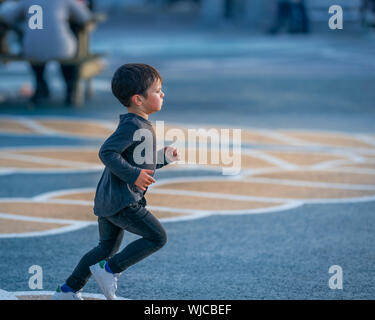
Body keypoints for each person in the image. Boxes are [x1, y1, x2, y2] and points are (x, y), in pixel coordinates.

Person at [52, 63, 180, 300]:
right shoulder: (133, 125)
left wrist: (161, 158)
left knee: (105, 249)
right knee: (156, 237)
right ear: (138, 99)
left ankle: (68, 290)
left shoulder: (139, 125)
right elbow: (107, 152)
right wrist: (134, 175)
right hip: (123, 202)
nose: (162, 94)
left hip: (111, 200)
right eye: (157, 90)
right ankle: (110, 270)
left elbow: (140, 162)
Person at [0, 0, 93, 105]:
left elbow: (8, 18)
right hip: (62, 49)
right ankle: (70, 89)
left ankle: (41, 86)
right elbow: (85, 17)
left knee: (36, 49)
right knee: (69, 53)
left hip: (32, 49)